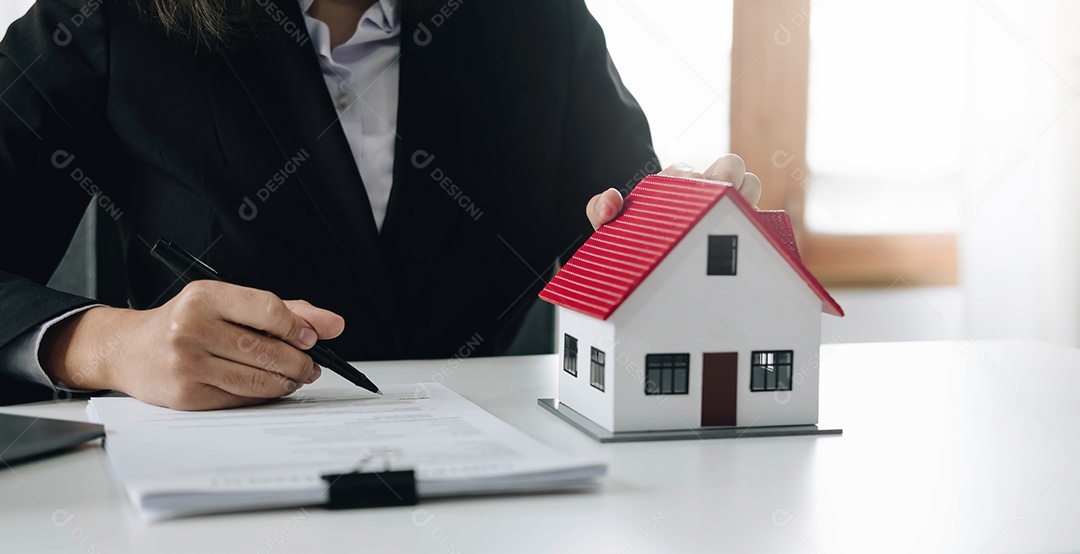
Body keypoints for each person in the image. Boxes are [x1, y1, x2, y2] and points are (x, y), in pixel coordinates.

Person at [0, 0, 762, 409]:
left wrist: (687, 231)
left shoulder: (540, 19)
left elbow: (622, 219)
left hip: (497, 486)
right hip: (219, 488)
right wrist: (110, 347)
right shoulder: (105, 17)